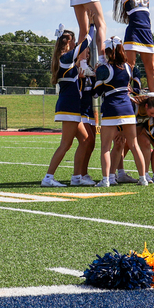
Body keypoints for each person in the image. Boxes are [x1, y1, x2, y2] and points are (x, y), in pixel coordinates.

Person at [42, 24, 95, 187]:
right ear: (69, 42)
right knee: (66, 144)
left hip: (72, 106)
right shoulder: (65, 58)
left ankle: (76, 177)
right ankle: (48, 178)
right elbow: (85, 44)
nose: (76, 44)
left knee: (86, 140)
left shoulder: (66, 60)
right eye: (74, 41)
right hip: (69, 106)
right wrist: (92, 27)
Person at [94, 38, 149, 187]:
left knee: (105, 146)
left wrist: (95, 75)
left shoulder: (103, 69)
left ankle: (106, 180)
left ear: (109, 52)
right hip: (127, 109)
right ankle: (143, 178)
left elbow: (96, 93)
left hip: (111, 109)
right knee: (134, 145)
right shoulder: (127, 67)